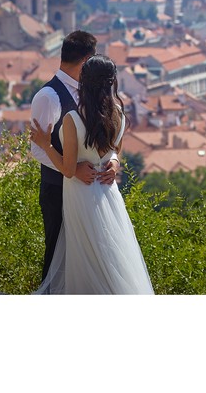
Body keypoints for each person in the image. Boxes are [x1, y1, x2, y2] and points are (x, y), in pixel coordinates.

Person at [30, 54, 154, 294]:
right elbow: (116, 149)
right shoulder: (118, 112)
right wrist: (114, 162)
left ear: (84, 82)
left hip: (81, 194)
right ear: (111, 83)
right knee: (112, 252)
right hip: (108, 193)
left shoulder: (73, 119)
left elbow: (67, 170)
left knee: (85, 254)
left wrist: (46, 144)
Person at [30, 30, 120, 283]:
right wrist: (71, 168)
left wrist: (113, 162)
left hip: (93, 192)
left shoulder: (92, 93)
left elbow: (109, 143)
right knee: (58, 256)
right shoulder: (48, 96)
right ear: (85, 62)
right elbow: (37, 148)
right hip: (57, 189)